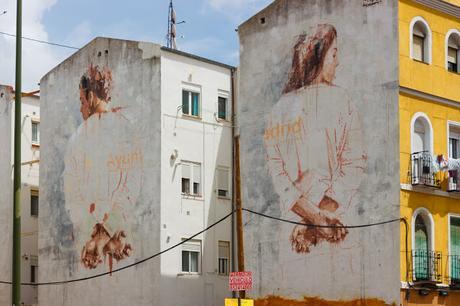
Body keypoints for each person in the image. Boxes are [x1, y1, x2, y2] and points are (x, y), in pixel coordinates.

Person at [265, 24, 367, 253]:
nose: (337, 61)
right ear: (320, 57)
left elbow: (277, 176)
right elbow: (353, 166)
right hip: (335, 230)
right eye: (334, 53)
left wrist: (311, 218)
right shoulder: (343, 101)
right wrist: (321, 217)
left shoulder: (277, 110)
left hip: (292, 235)